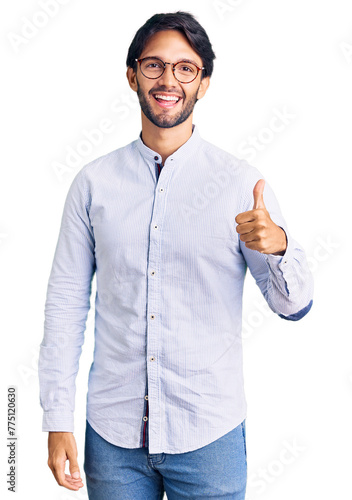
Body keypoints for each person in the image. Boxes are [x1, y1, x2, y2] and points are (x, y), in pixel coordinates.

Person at [38, 11, 314, 500]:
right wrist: (56, 419)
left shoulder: (239, 184)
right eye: (154, 66)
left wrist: (282, 249)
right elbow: (65, 305)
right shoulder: (93, 184)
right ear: (131, 76)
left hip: (209, 434)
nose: (169, 80)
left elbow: (292, 307)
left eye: (186, 68)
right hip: (113, 437)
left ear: (203, 83)